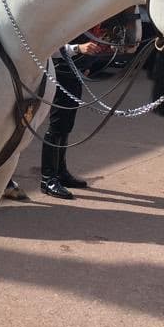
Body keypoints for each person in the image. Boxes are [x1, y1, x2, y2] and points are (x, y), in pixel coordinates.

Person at [40, 11, 139, 199]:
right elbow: (49, 47)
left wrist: (88, 60)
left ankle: (60, 171)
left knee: (66, 124)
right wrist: (79, 49)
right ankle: (48, 178)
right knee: (57, 124)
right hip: (60, 71)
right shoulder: (68, 16)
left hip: (74, 72)